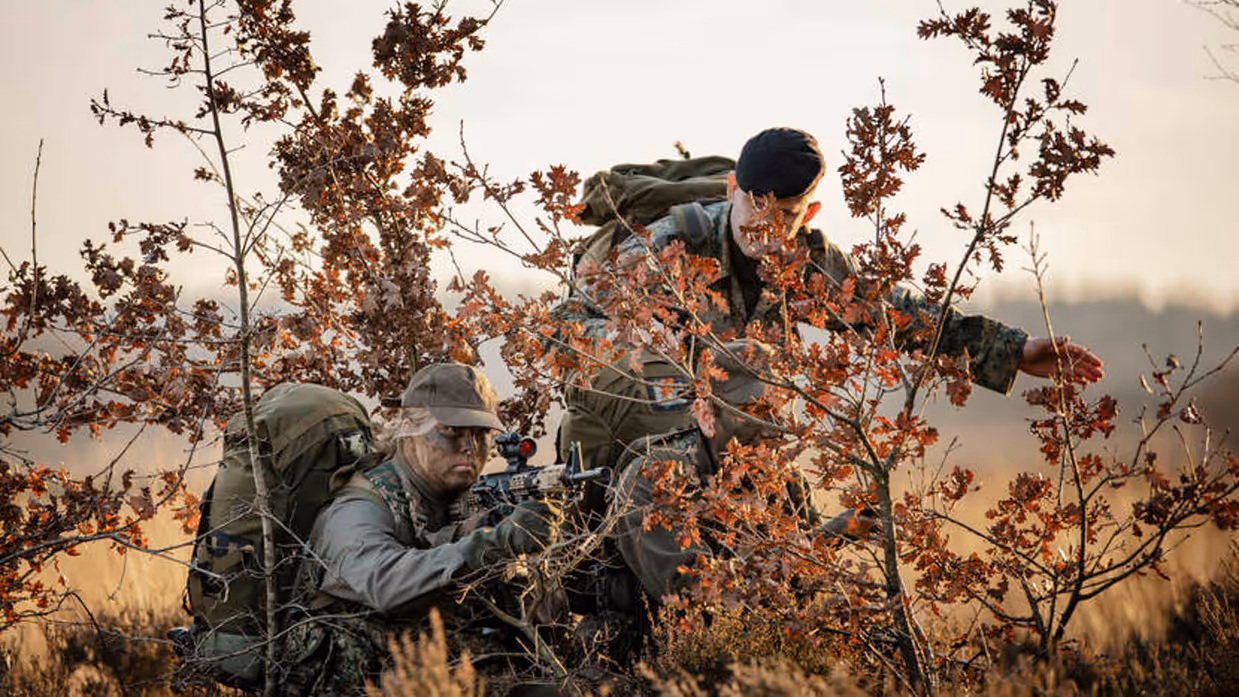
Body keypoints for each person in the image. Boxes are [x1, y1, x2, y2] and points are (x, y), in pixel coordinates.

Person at [554, 127, 1104, 469]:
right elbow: (568, 327)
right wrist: (633, 335)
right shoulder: (671, 243)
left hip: (723, 434)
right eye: (755, 207)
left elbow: (892, 316)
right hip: (622, 417)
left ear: (809, 214)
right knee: (663, 385)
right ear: (731, 191)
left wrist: (1010, 350)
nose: (766, 228)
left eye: (786, 215)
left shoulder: (807, 262)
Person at [280, 363, 558, 695]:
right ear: (410, 427)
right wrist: (494, 543)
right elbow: (384, 583)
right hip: (364, 678)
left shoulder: (466, 497)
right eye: (452, 431)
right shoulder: (362, 503)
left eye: (481, 434)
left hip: (449, 664)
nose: (470, 447)